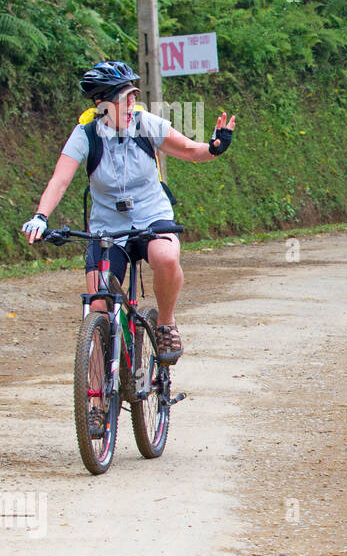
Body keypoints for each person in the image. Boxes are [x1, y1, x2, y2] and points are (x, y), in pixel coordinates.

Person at [22, 61, 235, 367]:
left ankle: (165, 324)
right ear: (101, 104)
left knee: (165, 256)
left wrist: (214, 148)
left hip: (151, 214)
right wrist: (41, 216)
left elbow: (190, 151)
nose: (131, 104)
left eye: (133, 97)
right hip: (108, 226)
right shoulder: (86, 135)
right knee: (99, 303)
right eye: (124, 99)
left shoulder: (146, 124)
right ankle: (98, 394)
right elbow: (61, 179)